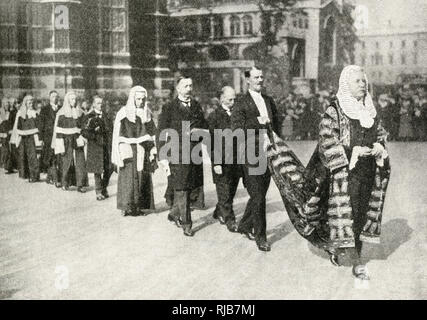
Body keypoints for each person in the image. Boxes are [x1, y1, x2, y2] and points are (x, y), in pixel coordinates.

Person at [303, 65, 390, 280]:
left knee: (360, 213)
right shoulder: (334, 110)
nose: (362, 84)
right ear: (346, 85)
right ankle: (343, 252)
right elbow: (326, 140)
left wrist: (380, 146)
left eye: (364, 81)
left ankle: (355, 256)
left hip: (368, 170)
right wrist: (351, 152)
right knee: (341, 214)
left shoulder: (370, 110)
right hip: (342, 173)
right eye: (357, 81)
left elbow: (380, 134)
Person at [231, 66, 281, 251]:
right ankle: (261, 237)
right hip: (250, 154)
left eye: (262, 77)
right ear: (248, 80)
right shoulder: (241, 102)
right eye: (256, 77)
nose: (260, 80)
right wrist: (256, 122)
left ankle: (244, 224)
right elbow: (236, 129)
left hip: (268, 153)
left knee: (259, 195)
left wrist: (278, 147)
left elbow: (277, 125)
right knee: (258, 196)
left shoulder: (269, 100)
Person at [158, 76, 208, 237]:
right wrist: (162, 155)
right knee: (181, 188)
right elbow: (161, 131)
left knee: (192, 186)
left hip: (194, 152)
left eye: (191, 85)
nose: (189, 89)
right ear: (178, 89)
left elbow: (204, 125)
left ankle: (173, 214)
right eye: (185, 86)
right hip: (177, 153)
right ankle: (187, 224)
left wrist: (200, 132)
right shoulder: (169, 107)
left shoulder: (196, 105)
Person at [111, 86, 157, 216]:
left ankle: (139, 207)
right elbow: (118, 135)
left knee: (143, 178)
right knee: (128, 179)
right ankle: (126, 206)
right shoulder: (124, 113)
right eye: (138, 99)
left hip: (143, 149)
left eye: (143, 99)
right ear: (132, 99)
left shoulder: (147, 113)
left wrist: (153, 147)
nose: (141, 102)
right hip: (129, 150)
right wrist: (121, 151)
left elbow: (152, 131)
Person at [207, 86, 241, 233]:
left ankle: (219, 211)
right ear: (222, 99)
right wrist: (216, 163)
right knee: (225, 191)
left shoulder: (238, 114)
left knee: (231, 190)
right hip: (221, 161)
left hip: (236, 160)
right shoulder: (214, 116)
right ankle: (230, 220)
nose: (233, 102)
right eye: (230, 99)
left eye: (234, 99)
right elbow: (210, 142)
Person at [51, 91, 87, 192]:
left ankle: (80, 184)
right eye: (72, 99)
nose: (74, 101)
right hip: (66, 140)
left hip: (77, 139)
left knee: (80, 161)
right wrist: (60, 145)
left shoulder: (79, 112)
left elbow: (83, 126)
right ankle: (64, 182)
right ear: (67, 100)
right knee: (66, 162)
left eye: (75, 99)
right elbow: (58, 131)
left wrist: (82, 136)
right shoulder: (62, 113)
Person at [82, 95, 113, 200]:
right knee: (97, 169)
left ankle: (104, 187)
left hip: (106, 145)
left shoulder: (107, 116)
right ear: (94, 104)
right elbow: (84, 131)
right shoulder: (88, 116)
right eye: (98, 103)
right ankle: (98, 192)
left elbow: (111, 129)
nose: (101, 105)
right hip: (95, 146)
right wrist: (94, 134)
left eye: (102, 103)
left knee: (109, 168)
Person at [11, 95, 42, 182]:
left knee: (33, 156)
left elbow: (38, 126)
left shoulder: (35, 113)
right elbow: (17, 126)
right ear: (25, 103)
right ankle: (25, 174)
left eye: (32, 102)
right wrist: (16, 138)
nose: (31, 104)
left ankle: (34, 176)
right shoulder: (20, 113)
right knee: (23, 156)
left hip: (32, 138)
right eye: (29, 102)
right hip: (23, 138)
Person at [39, 90, 62, 187]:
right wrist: (41, 138)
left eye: (56, 96)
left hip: (59, 137)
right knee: (50, 156)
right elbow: (41, 125)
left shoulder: (61, 109)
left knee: (57, 157)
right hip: (48, 137)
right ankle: (54, 178)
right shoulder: (44, 110)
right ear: (49, 98)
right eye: (53, 96)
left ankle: (51, 177)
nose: (55, 98)